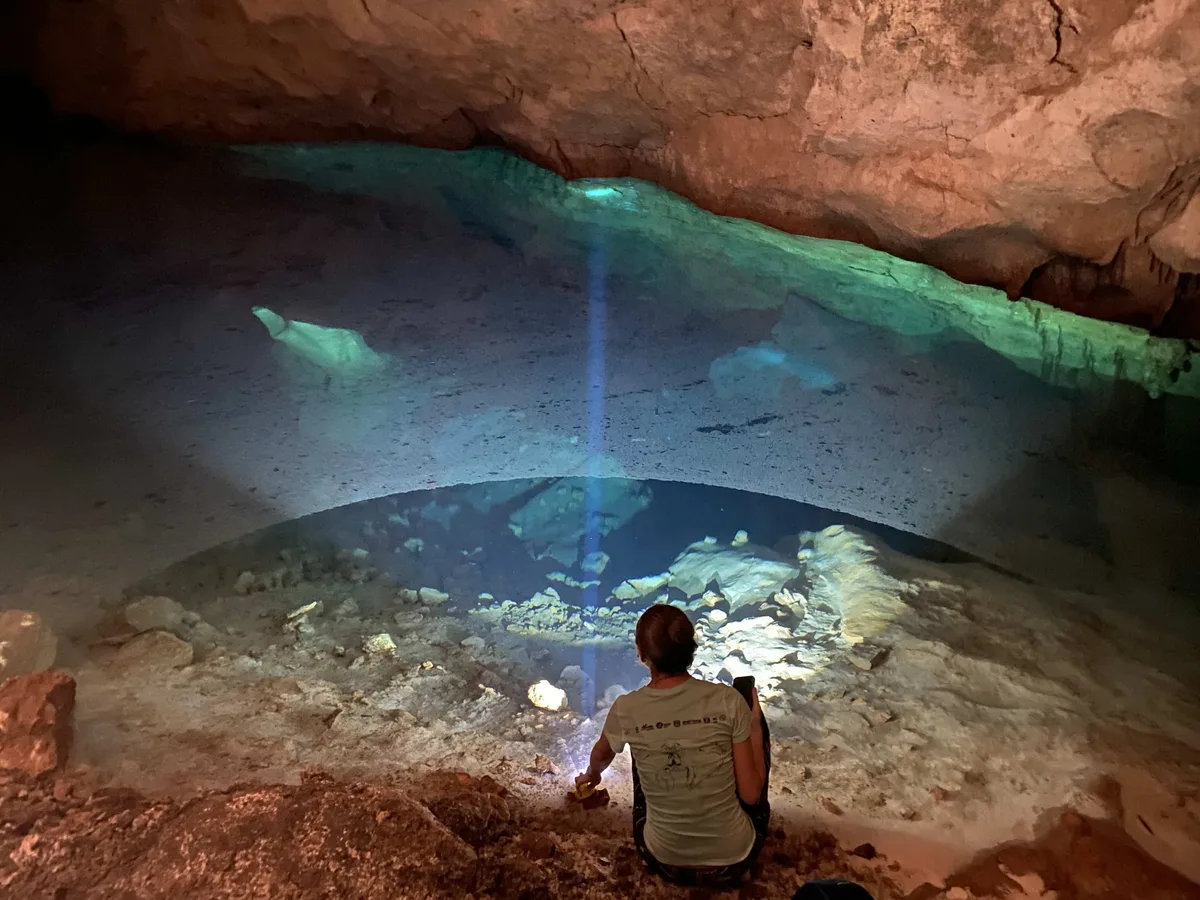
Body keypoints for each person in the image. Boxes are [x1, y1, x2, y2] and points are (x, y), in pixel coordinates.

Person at [575, 603, 770, 888]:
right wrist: (754, 727)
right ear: (690, 650)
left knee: (642, 742)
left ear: (642, 655)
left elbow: (601, 755)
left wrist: (592, 775)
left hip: (662, 859)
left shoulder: (628, 708)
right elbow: (751, 796)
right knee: (748, 710)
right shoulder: (728, 700)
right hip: (735, 860)